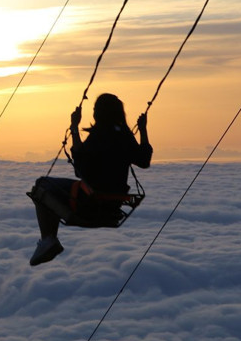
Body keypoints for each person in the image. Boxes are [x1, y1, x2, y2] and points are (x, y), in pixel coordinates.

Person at [29, 93, 153, 266]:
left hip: (89, 203)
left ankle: (48, 239)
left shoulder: (99, 135)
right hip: (112, 206)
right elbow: (144, 160)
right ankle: (49, 240)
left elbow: (81, 169)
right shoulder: (124, 135)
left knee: (42, 184)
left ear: (100, 113)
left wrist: (74, 127)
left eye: (95, 109)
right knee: (51, 185)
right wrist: (143, 130)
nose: (93, 112)